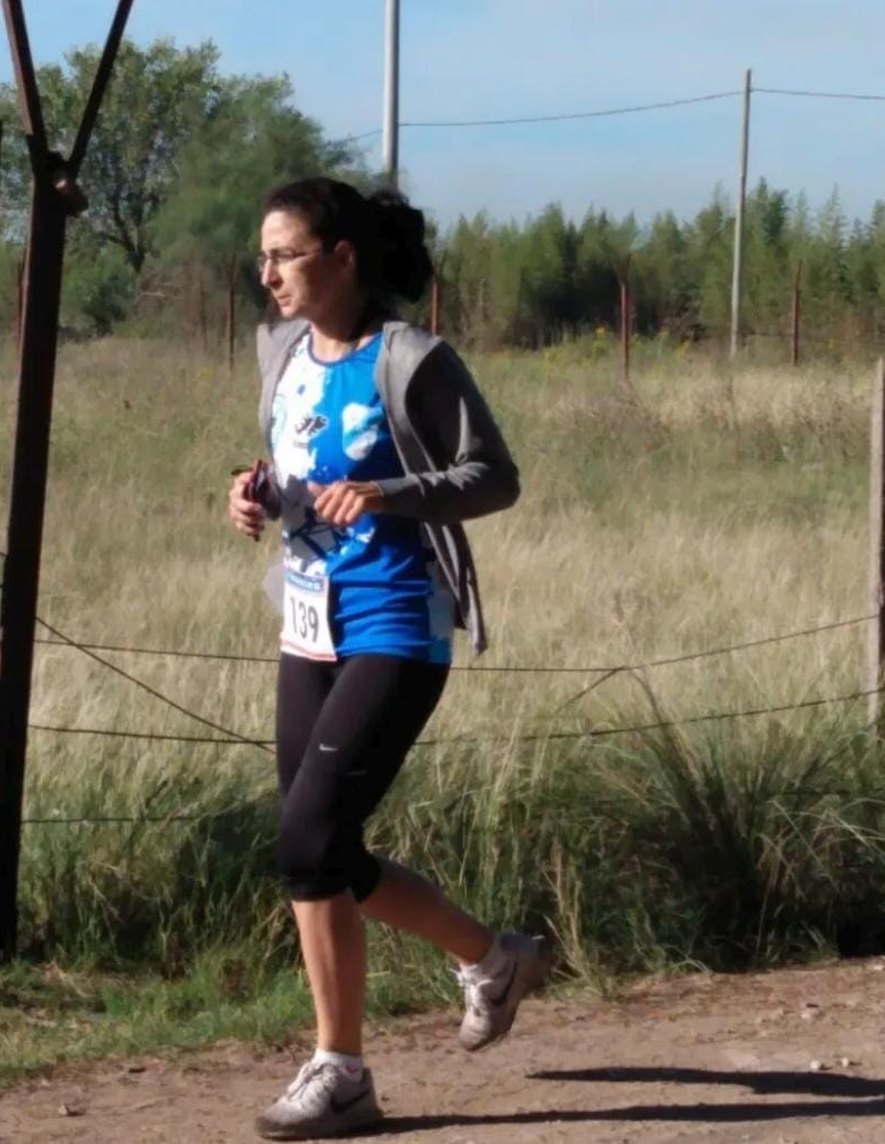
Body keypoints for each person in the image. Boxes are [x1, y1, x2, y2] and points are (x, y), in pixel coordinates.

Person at [227, 176, 550, 1141]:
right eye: (262, 257)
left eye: (284, 255)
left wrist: (390, 494)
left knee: (306, 840)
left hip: (399, 621)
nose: (268, 273)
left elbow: (494, 477)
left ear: (342, 258)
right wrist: (253, 491)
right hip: (308, 621)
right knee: (323, 849)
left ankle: (342, 1072)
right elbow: (297, 460)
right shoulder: (281, 350)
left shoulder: (412, 359)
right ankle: (493, 958)